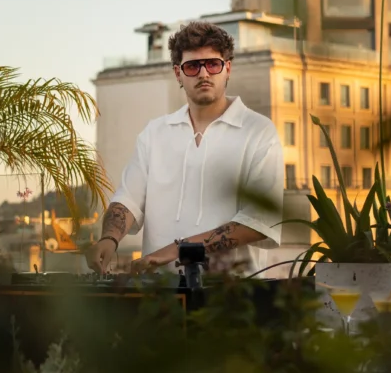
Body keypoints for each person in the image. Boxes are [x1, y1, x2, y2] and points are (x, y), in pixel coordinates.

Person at [89, 21, 283, 276]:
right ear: (178, 74)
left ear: (228, 69)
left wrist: (176, 250)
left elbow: (259, 222)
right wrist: (109, 239)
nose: (204, 74)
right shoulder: (154, 133)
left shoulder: (258, 131)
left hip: (230, 298)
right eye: (192, 66)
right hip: (159, 295)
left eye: (212, 64)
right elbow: (128, 199)